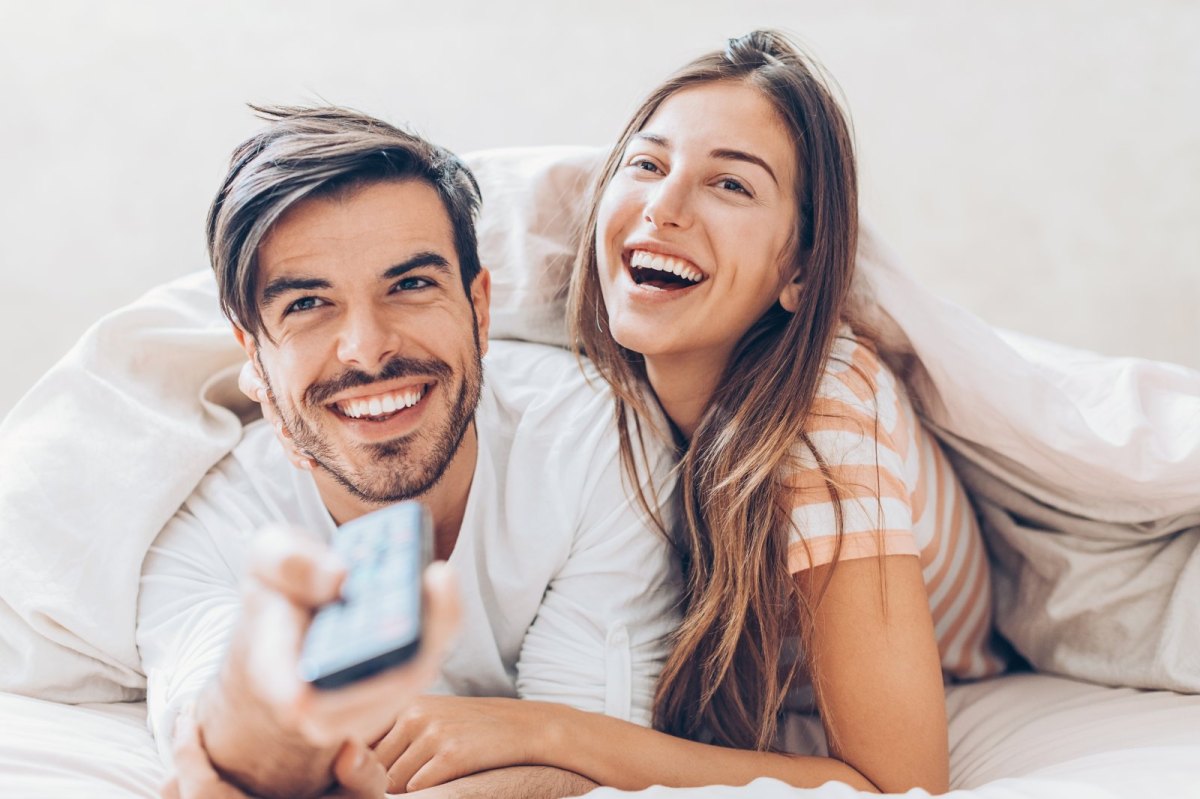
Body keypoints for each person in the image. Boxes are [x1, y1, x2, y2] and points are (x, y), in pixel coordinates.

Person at [350, 30, 1010, 795]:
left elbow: (895, 780)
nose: (663, 208)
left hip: (969, 650)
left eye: (731, 185)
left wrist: (542, 729)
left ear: (796, 270)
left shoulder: (823, 414)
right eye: (647, 164)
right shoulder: (571, 360)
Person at [136, 106, 681, 799]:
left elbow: (580, 768)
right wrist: (273, 712)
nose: (368, 347)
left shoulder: (599, 446)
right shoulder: (211, 525)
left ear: (480, 310)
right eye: (307, 303)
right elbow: (220, 758)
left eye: (411, 284)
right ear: (256, 357)